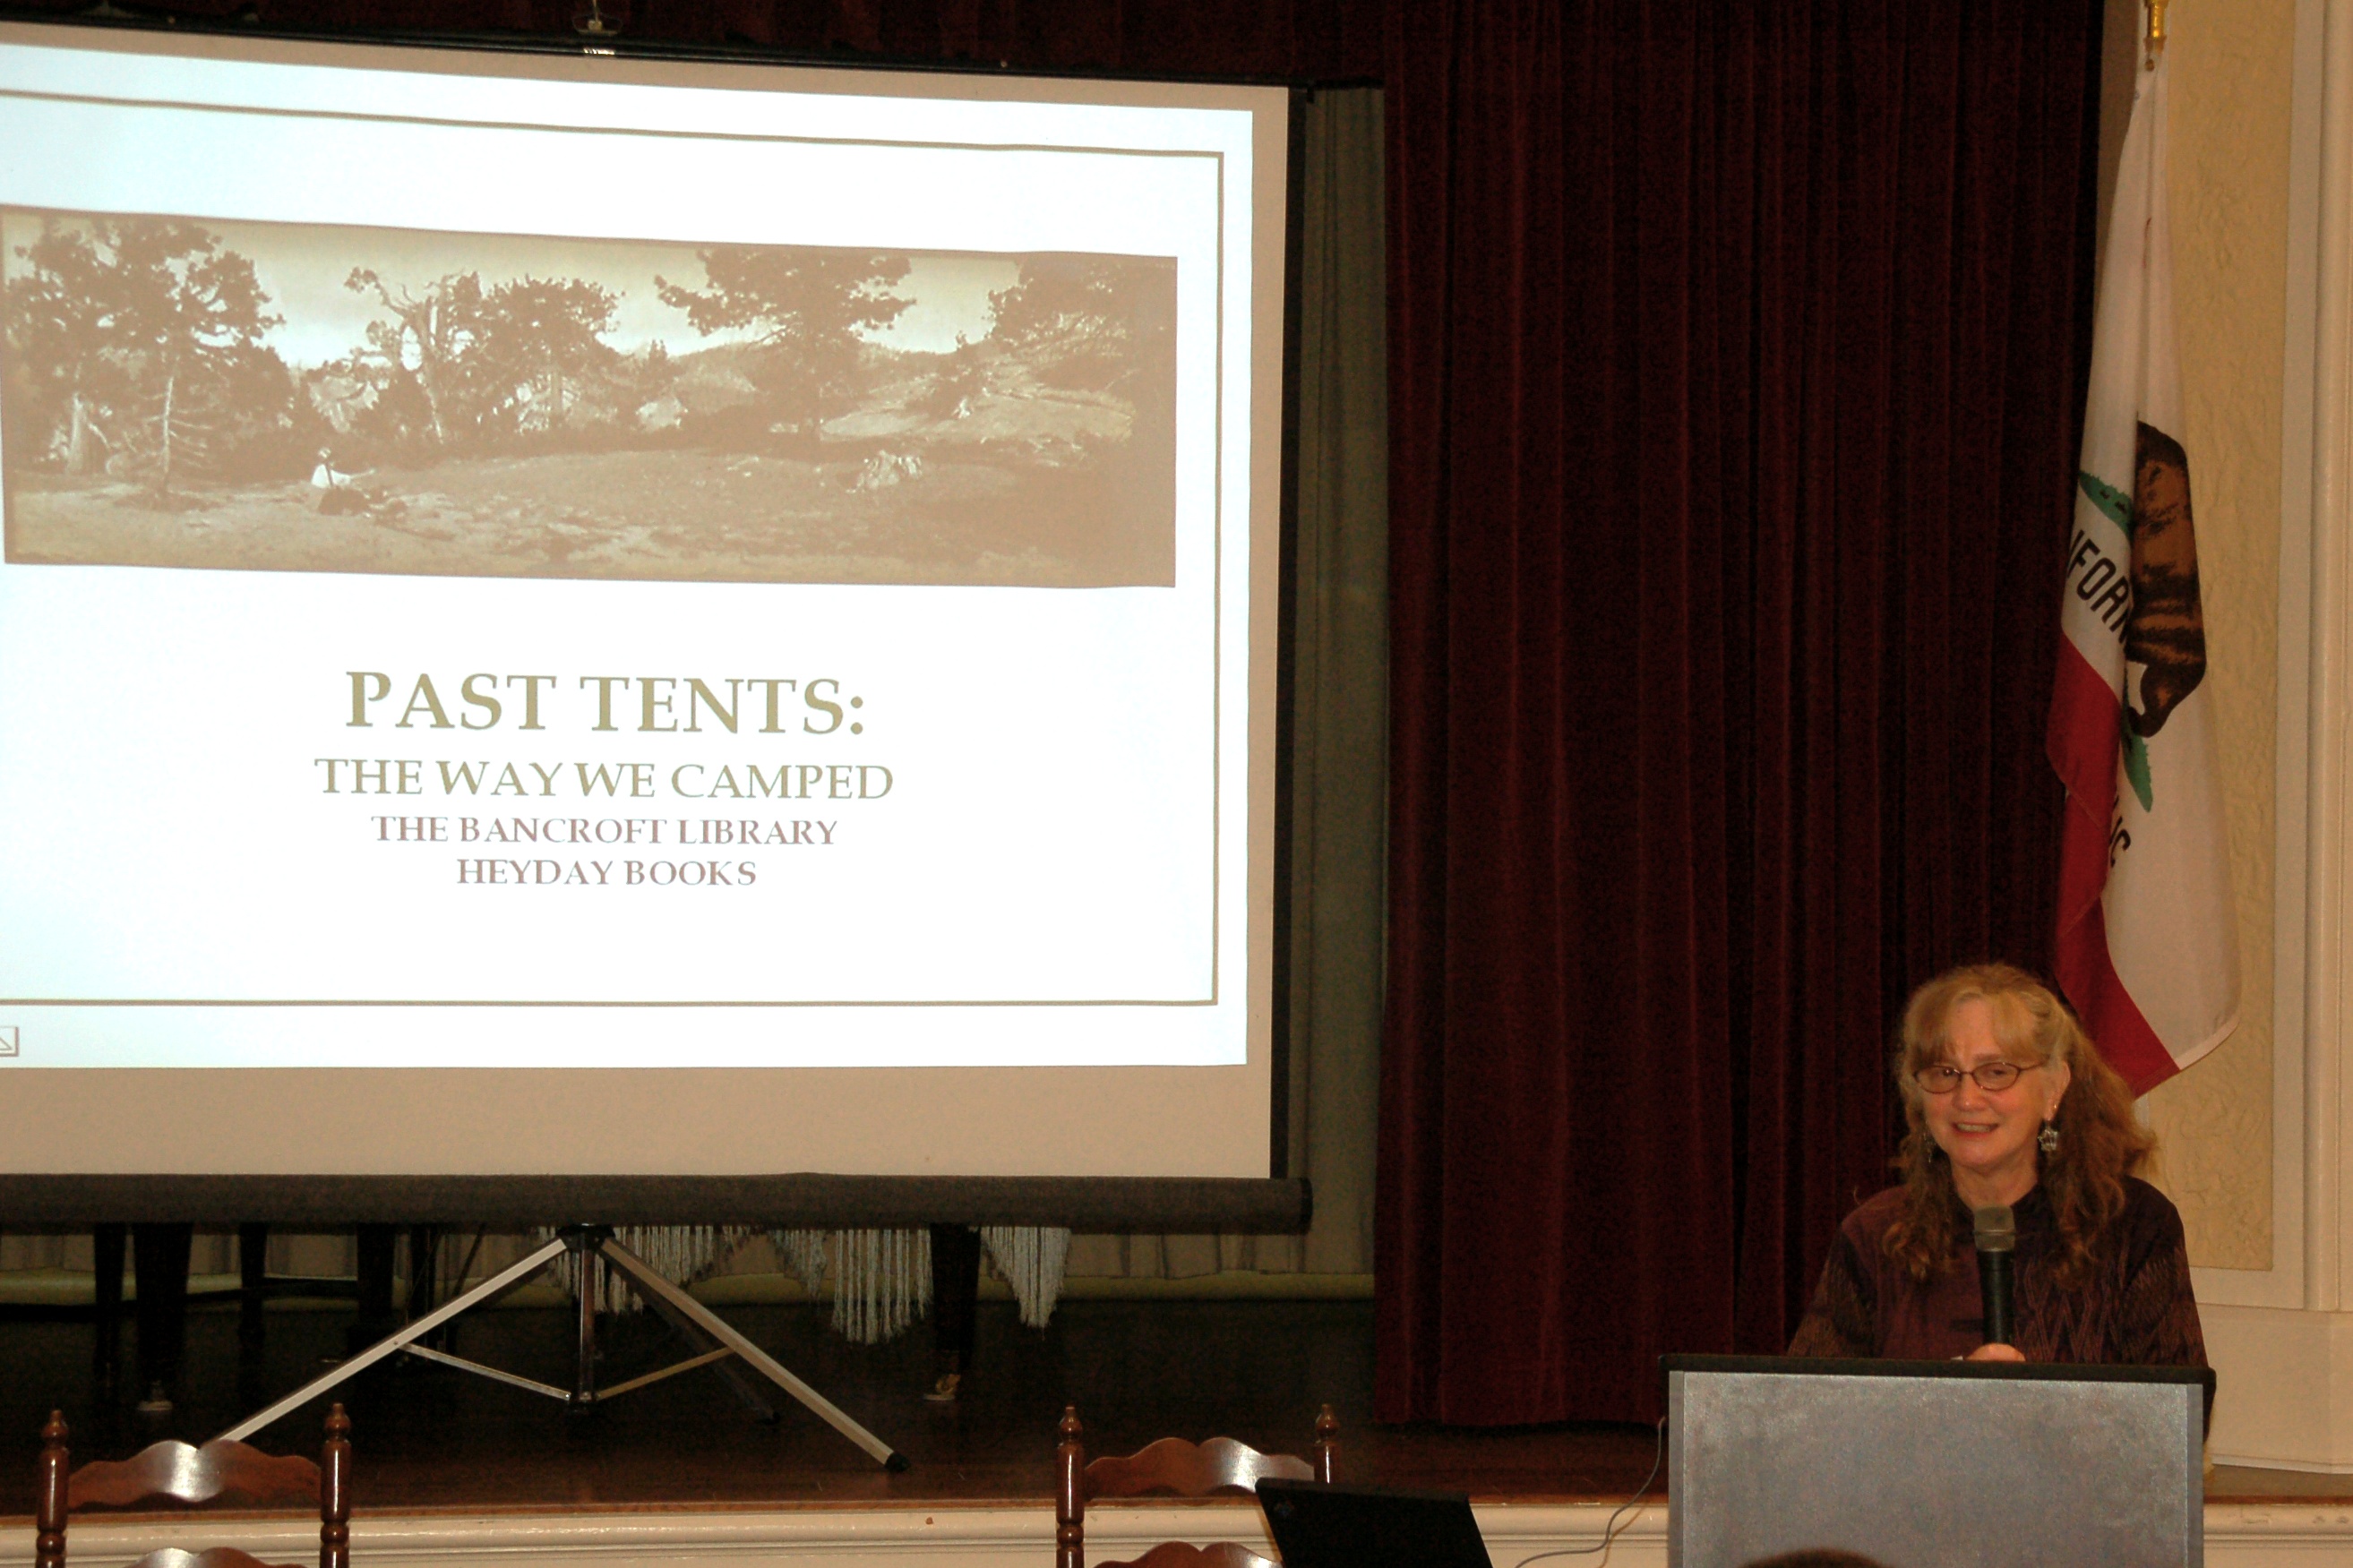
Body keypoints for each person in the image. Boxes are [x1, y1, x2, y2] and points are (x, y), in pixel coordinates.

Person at [1786, 962, 2205, 1366]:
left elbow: (2179, 1405)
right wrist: (1946, 1399)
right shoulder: (1874, 1236)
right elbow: (1802, 1405)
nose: (1967, 1099)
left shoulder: (2134, 1227)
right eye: (1944, 1073)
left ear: (2054, 1088)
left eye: (1997, 1072)